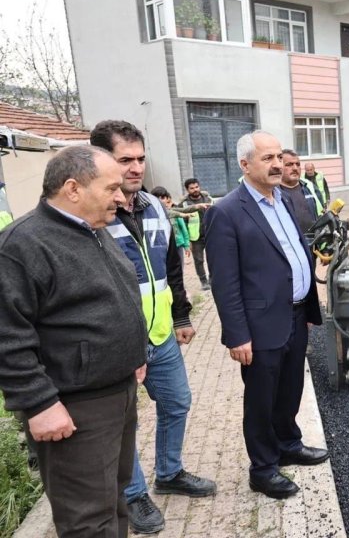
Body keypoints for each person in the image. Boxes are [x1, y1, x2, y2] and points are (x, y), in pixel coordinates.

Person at [0, 145, 147, 538]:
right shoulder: (22, 245)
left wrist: (132, 352)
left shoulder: (94, 230)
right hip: (73, 407)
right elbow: (7, 334)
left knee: (114, 500)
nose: (121, 197)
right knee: (87, 518)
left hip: (117, 392)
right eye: (111, 188)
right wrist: (39, 403)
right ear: (73, 188)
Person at [90, 121, 216, 535]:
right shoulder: (91, 215)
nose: (136, 167)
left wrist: (181, 316)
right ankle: (133, 494)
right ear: (101, 160)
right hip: (116, 342)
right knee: (125, 422)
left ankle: (169, 472)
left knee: (177, 402)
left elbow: (171, 268)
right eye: (125, 159)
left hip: (160, 335)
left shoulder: (155, 207)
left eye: (141, 158)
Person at [205, 130, 328, 500]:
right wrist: (237, 334)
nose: (278, 164)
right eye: (267, 158)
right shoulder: (226, 212)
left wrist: (307, 305)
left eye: (279, 157)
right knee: (261, 399)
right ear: (245, 165)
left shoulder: (284, 199)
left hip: (295, 316)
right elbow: (224, 282)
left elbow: (294, 253)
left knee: (291, 388)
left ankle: (288, 444)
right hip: (260, 326)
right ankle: (262, 469)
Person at [178, 178, 213, 290]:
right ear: (187, 190)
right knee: (199, 260)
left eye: (197, 187)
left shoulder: (208, 199)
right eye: (192, 188)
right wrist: (187, 240)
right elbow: (182, 223)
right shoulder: (184, 204)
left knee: (213, 258)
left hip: (210, 234)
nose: (195, 190)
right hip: (195, 238)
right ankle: (204, 281)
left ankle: (212, 279)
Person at [280, 149, 320, 234]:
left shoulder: (308, 187)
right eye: (289, 164)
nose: (295, 168)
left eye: (297, 164)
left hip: (313, 240)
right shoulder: (274, 193)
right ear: (279, 167)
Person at [151, 187, 192, 267]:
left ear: (167, 199)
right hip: (161, 246)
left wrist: (186, 245)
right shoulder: (151, 214)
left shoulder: (174, 213)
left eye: (163, 198)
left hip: (177, 244)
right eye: (157, 198)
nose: (160, 200)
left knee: (179, 267)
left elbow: (183, 229)